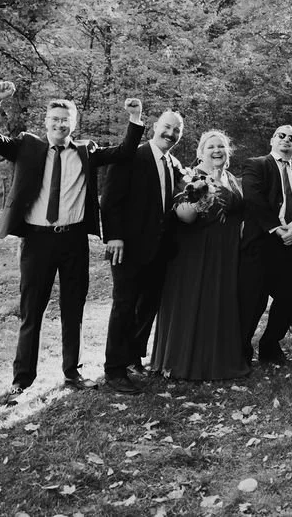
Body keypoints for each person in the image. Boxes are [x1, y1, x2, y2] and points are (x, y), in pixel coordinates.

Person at [0, 80, 143, 404]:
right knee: (31, 312)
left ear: (73, 124)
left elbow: (123, 152)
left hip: (73, 242)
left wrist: (134, 119)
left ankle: (72, 371)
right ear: (46, 122)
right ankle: (22, 380)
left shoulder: (86, 151)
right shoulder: (27, 145)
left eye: (65, 120)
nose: (59, 124)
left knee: (73, 309)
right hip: (37, 242)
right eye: (54, 120)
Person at [150, 130, 249, 380]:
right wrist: (201, 196)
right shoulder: (190, 178)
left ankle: (220, 359)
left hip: (227, 253)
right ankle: (187, 362)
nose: (217, 151)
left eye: (221, 147)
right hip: (196, 252)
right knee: (196, 300)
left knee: (220, 302)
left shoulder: (231, 178)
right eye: (211, 147)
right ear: (200, 153)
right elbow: (183, 216)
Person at [101, 110, 185, 395]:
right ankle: (114, 370)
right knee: (124, 306)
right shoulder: (131, 155)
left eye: (177, 130)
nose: (171, 134)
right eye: (167, 127)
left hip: (160, 251)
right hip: (128, 247)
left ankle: (133, 358)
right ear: (154, 127)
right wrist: (114, 237)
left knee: (147, 307)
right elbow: (110, 199)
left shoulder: (174, 164)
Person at [239, 123, 292, 365]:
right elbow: (253, 199)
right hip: (262, 244)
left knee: (287, 300)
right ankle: (241, 350)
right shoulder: (256, 165)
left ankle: (270, 346)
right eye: (281, 136)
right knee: (254, 301)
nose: (286, 140)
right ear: (272, 140)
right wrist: (277, 229)